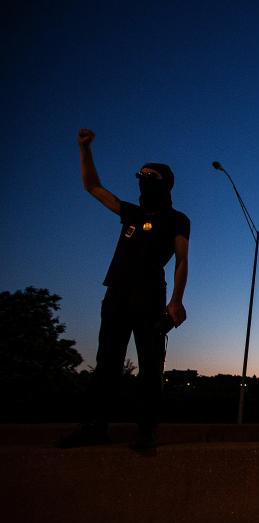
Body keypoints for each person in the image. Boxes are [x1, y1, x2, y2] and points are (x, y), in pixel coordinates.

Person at [58, 128, 190, 452]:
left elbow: (182, 260)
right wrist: (84, 149)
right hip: (116, 294)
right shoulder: (131, 212)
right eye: (140, 174)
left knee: (149, 366)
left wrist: (176, 300)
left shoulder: (177, 219)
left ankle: (146, 432)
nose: (143, 178)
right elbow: (93, 186)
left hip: (150, 297)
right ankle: (95, 426)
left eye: (150, 174)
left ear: (164, 182)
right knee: (107, 363)